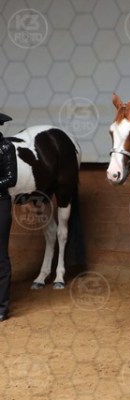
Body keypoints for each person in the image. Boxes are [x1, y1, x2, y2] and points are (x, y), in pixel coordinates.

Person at [0, 112, 17, 322]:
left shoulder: (6, 147)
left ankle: (2, 306)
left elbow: (11, 179)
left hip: (0, 204)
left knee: (0, 257)